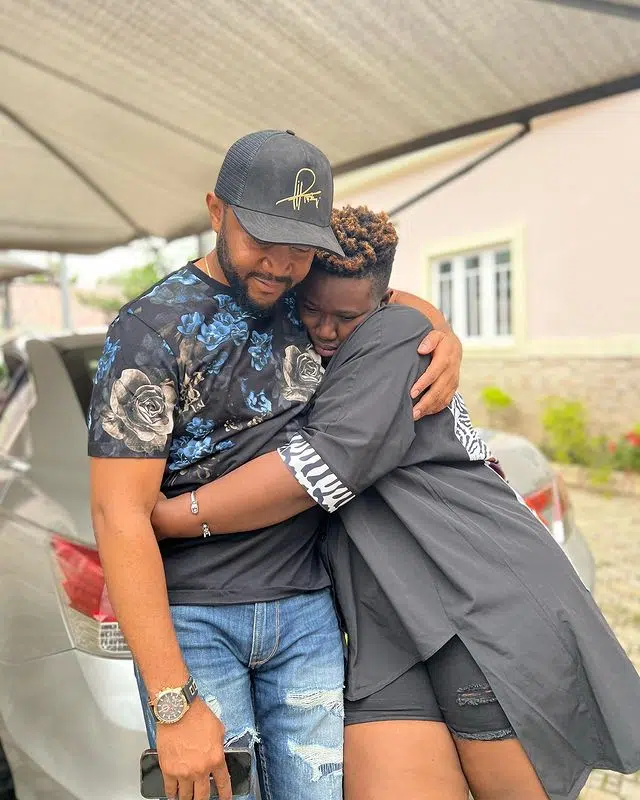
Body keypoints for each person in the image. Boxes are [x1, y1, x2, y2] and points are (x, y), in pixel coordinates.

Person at [152, 205, 640, 800]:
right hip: (383, 620)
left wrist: (170, 517)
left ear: (379, 306)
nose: (326, 330)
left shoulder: (395, 335)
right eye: (313, 310)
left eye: (347, 318)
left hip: (470, 601)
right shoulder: (311, 332)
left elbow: (322, 465)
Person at [88, 134, 463, 800]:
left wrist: (445, 336)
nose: (281, 264)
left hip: (308, 612)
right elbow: (117, 516)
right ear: (216, 210)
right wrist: (172, 702)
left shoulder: (308, 299)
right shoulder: (150, 331)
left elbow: (392, 303)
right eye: (263, 238)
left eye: (301, 247)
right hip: (196, 621)